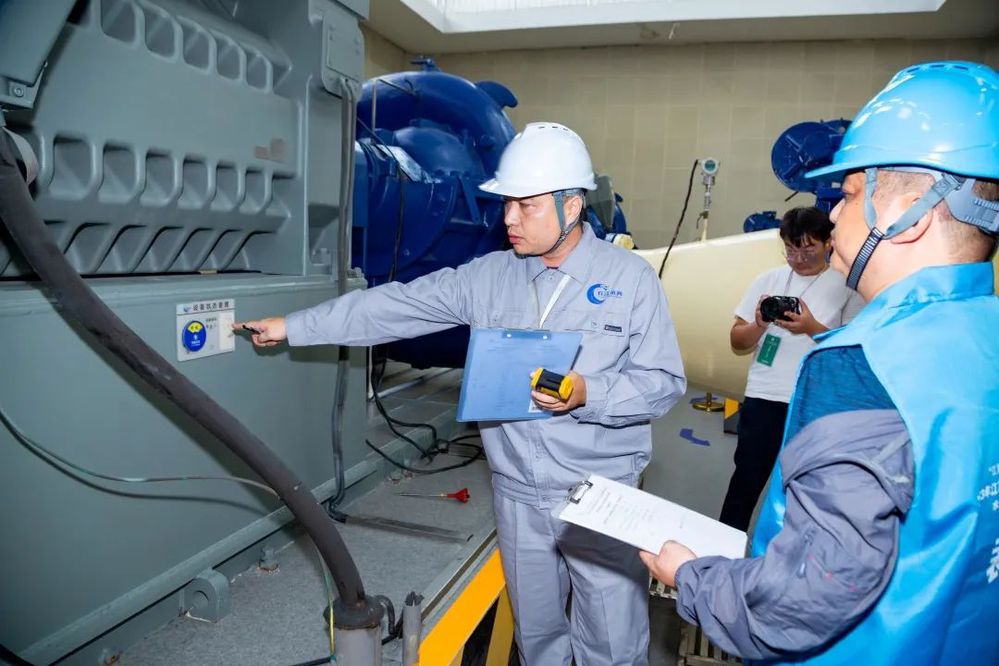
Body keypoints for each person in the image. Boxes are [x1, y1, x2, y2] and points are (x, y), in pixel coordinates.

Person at [237, 122, 687, 665]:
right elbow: (396, 306)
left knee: (611, 642)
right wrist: (294, 326)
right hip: (518, 494)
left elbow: (662, 384)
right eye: (506, 204)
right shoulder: (490, 277)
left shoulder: (631, 280)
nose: (509, 218)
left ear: (571, 207)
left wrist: (589, 393)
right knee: (538, 639)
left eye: (526, 206)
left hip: (600, 493)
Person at [641, 61, 999, 664]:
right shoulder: (982, 331)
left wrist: (691, 577)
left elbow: (803, 599)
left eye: (851, 194)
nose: (833, 214)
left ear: (909, 209)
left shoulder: (861, 363)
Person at [720, 207, 864, 531]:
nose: (798, 258)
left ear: (828, 243)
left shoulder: (847, 286)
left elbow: (851, 349)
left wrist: (811, 327)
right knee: (745, 480)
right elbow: (737, 341)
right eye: (790, 249)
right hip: (764, 396)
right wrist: (759, 324)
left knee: (803, 485)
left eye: (808, 249)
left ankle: (790, 553)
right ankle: (723, 543)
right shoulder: (767, 280)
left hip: (813, 400)